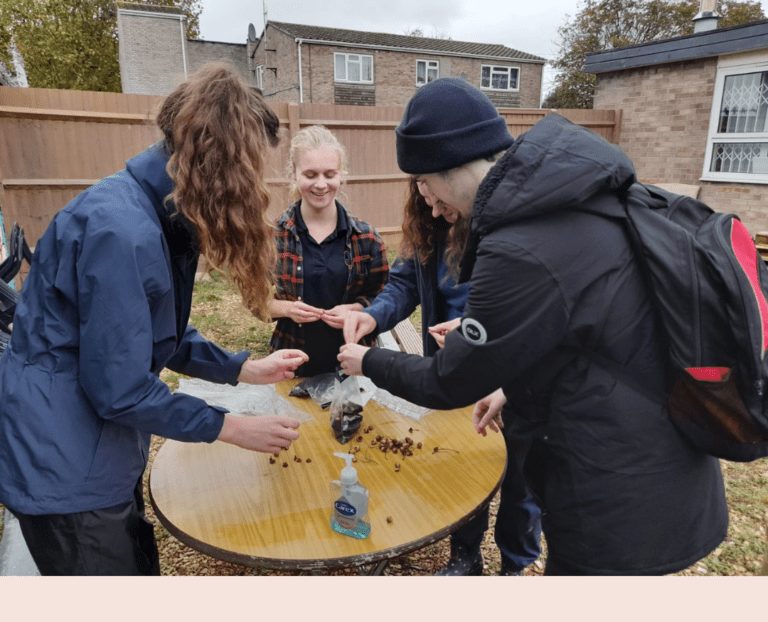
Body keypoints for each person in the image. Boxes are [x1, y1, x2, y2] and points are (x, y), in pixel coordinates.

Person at [338, 77, 728, 575]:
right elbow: (592, 328)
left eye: (422, 182)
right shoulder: (572, 198)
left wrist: (368, 359)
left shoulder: (519, 242)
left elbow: (448, 380)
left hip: (618, 496)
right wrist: (513, 385)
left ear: (451, 164)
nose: (427, 203)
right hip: (662, 466)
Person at [0, 63, 308, 576]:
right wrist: (229, 426)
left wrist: (241, 369)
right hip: (66, 464)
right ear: (221, 162)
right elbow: (119, 388)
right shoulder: (122, 232)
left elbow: (145, 332)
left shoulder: (152, 212)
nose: (256, 185)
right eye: (252, 167)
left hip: (90, 447)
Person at [343, 177, 541, 575]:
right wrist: (373, 315)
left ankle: (515, 567)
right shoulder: (428, 223)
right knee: (463, 465)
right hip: (451, 371)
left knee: (521, 482)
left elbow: (529, 306)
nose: (431, 206)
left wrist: (471, 329)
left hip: (513, 372)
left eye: (436, 194)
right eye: (422, 194)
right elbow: (402, 283)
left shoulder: (508, 225)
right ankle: (466, 555)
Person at [267, 125, 389, 376]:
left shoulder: (367, 239)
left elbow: (385, 298)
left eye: (329, 174)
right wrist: (287, 309)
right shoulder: (271, 236)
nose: (321, 184)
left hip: (355, 368)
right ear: (294, 175)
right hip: (291, 366)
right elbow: (254, 301)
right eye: (310, 175)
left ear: (341, 175)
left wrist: (354, 309)